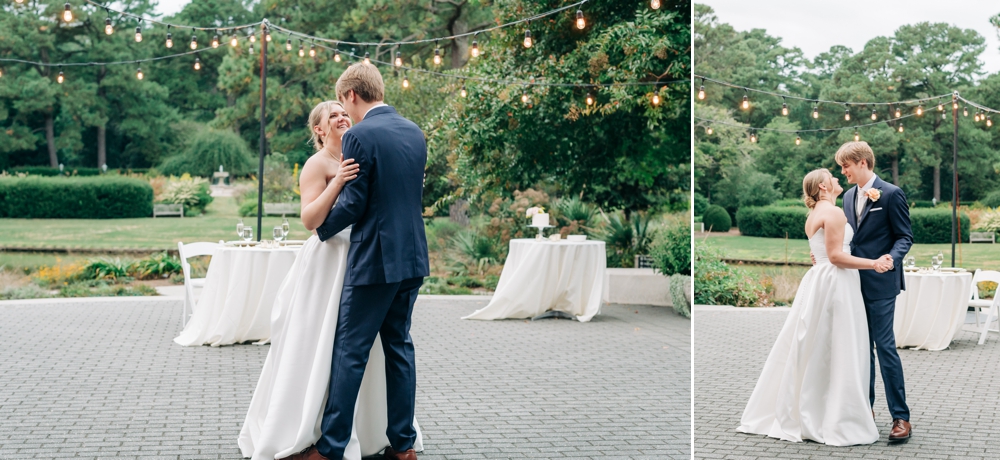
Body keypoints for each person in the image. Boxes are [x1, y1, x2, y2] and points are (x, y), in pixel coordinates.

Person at [238, 100, 423, 460]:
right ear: (319, 130)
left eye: (343, 112)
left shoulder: (365, 149)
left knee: (362, 350)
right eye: (331, 116)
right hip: (333, 257)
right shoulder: (317, 164)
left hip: (367, 257)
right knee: (329, 344)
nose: (341, 117)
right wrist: (337, 181)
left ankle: (368, 436)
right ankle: (323, 432)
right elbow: (310, 219)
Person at [290, 63, 430, 460]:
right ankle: (403, 447)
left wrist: (319, 229)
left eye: (344, 104)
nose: (344, 115)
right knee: (400, 349)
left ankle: (331, 448)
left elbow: (355, 203)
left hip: (375, 260)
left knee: (350, 352)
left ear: (351, 95)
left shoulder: (360, 135)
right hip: (413, 257)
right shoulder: (414, 132)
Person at [737, 168, 890, 446]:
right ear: (822, 186)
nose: (836, 179)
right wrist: (874, 263)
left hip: (821, 279)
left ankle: (816, 409)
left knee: (817, 347)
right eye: (832, 177)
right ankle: (832, 416)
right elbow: (834, 256)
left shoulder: (815, 214)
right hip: (835, 283)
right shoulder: (832, 213)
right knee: (837, 347)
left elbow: (822, 251)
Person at [836, 141, 914, 442]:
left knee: (884, 348)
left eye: (846, 166)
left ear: (863, 163)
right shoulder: (846, 198)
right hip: (851, 283)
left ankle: (901, 417)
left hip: (881, 285)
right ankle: (864, 411)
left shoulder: (892, 194)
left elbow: (904, 236)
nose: (843, 172)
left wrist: (891, 259)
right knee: (859, 348)